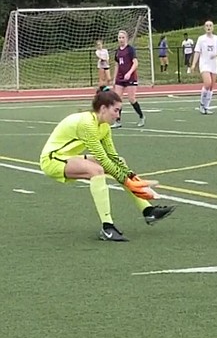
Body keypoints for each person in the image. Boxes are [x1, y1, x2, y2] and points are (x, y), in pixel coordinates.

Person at [39, 86, 176, 242]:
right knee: (96, 170)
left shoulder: (104, 126)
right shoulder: (87, 124)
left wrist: (133, 177)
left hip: (68, 157)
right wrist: (129, 183)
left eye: (120, 111)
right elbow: (103, 159)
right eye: (116, 111)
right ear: (103, 108)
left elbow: (113, 156)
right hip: (52, 160)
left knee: (120, 162)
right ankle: (107, 227)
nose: (118, 116)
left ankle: (147, 210)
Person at [111, 30, 145, 128]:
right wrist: (114, 78)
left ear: (126, 38)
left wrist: (129, 73)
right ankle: (117, 121)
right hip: (120, 78)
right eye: (119, 38)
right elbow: (117, 65)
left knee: (131, 99)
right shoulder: (117, 51)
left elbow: (135, 63)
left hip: (130, 77)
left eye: (123, 37)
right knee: (117, 100)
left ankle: (141, 116)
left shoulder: (130, 49)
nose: (121, 39)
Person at [191, 20, 217, 114]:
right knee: (207, 83)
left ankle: (206, 106)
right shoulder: (201, 39)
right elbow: (197, 52)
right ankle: (201, 104)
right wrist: (193, 64)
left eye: (210, 25)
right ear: (204, 28)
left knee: (212, 86)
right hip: (204, 63)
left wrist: (216, 54)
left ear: (213, 27)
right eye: (207, 26)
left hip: (214, 64)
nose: (208, 27)